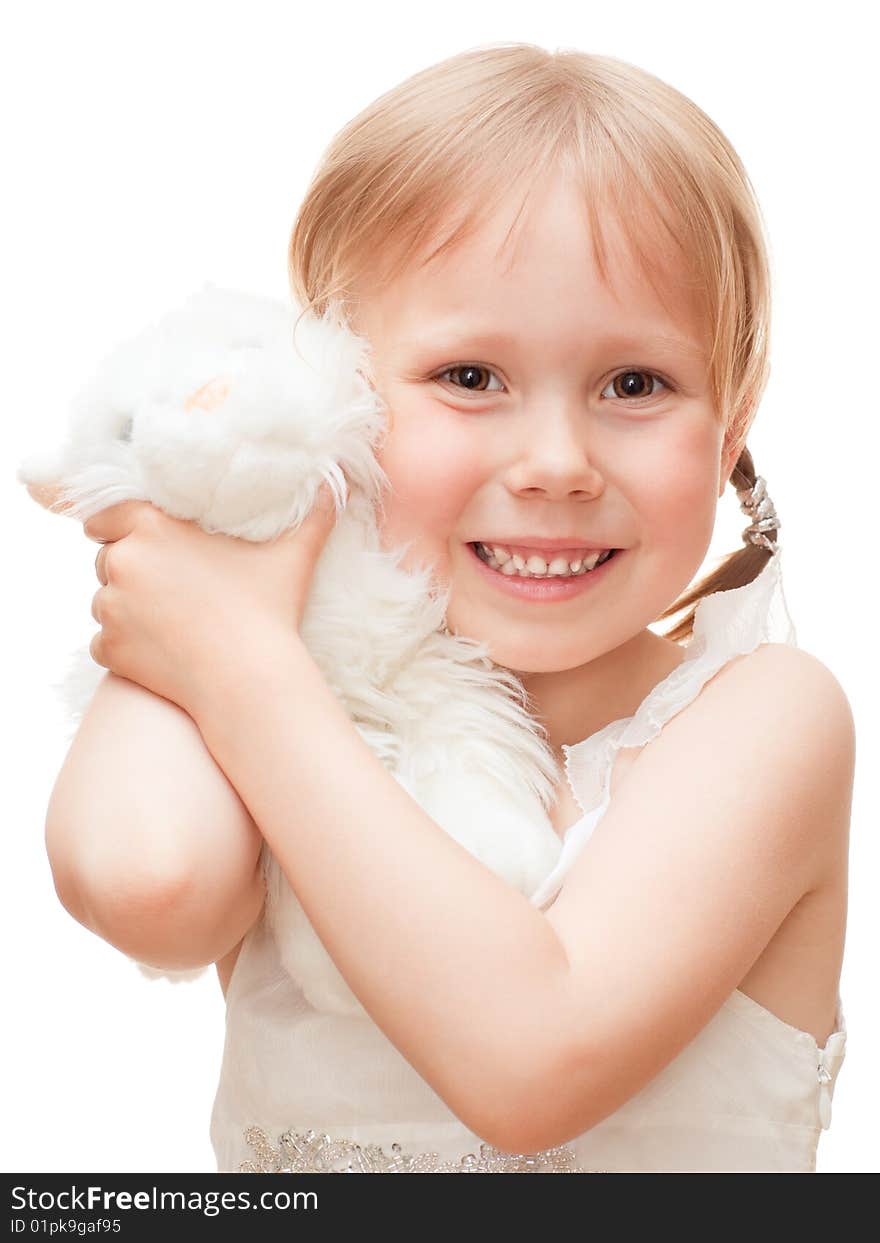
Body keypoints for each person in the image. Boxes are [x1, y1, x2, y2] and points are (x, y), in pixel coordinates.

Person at [38, 44, 854, 1173]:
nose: (557, 463)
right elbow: (149, 884)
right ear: (338, 392)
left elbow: (533, 1066)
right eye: (470, 376)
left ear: (729, 427)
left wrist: (239, 667)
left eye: (635, 383)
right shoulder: (276, 682)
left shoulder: (766, 715)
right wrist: (212, 537)